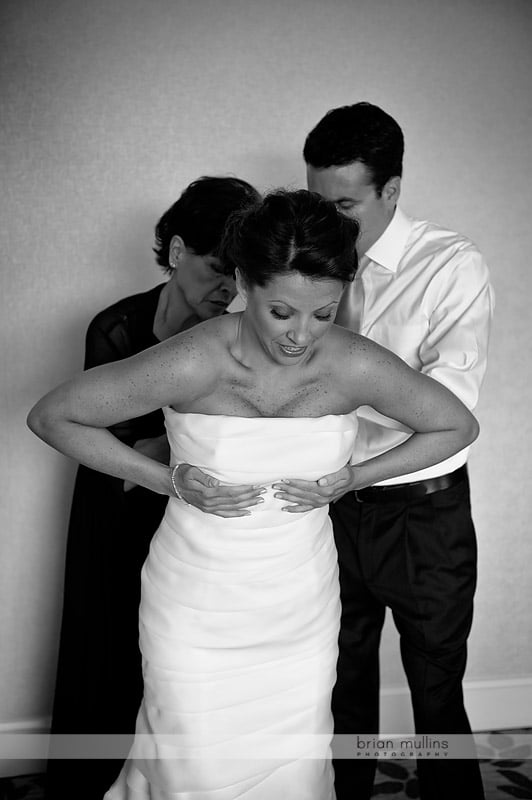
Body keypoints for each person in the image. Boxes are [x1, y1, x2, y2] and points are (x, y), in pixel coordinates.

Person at [28, 189, 479, 800]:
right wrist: (168, 480)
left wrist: (354, 476)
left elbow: (456, 425)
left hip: (299, 607)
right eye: (282, 313)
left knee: (293, 770)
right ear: (245, 282)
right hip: (195, 607)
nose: (301, 336)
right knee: (196, 771)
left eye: (323, 313)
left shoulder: (354, 365)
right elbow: (54, 416)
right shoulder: (191, 360)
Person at [172, 105, 494, 800]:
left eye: (346, 203)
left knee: (435, 689)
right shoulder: (303, 271)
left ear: (392, 191)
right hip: (323, 507)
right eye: (323, 202)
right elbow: (252, 356)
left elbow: (446, 408)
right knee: (337, 686)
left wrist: (332, 380)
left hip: (420, 516)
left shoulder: (449, 267)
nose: (334, 222)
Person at [44, 175, 261, 800]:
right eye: (218, 268)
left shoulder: (238, 338)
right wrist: (175, 455)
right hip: (115, 504)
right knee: (106, 641)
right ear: (175, 252)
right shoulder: (113, 328)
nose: (228, 289)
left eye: (240, 275)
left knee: (174, 664)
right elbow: (112, 441)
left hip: (191, 517)